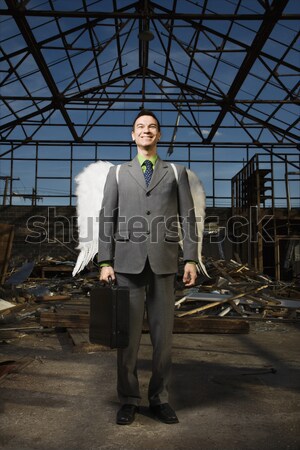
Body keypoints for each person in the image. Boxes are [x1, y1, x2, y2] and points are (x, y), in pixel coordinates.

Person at [98, 109, 198, 425]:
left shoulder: (177, 172)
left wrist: (191, 258)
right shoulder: (117, 173)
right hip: (126, 263)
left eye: (152, 126)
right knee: (126, 338)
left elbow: (188, 218)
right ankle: (128, 398)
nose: (146, 130)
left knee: (162, 339)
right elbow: (106, 218)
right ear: (133, 134)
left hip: (164, 263)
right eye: (140, 126)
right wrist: (105, 260)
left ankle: (159, 399)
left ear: (159, 134)